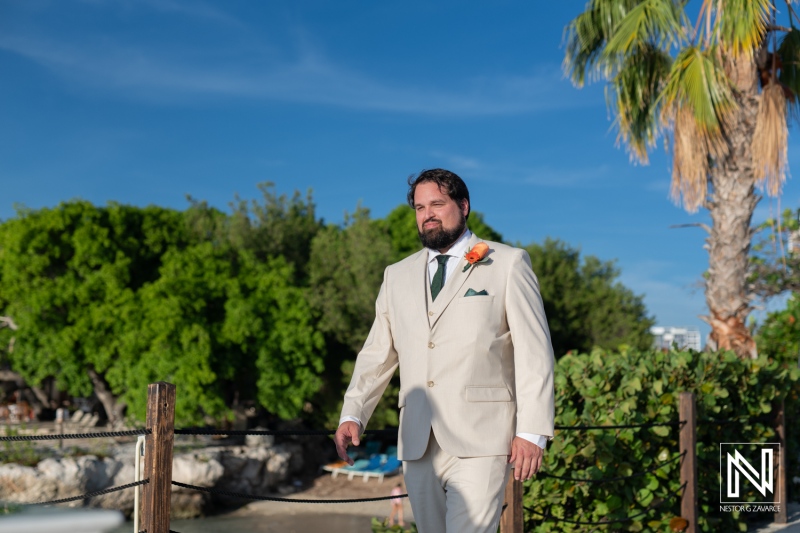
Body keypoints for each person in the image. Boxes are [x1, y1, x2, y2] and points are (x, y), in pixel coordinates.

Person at [334, 168, 555, 533]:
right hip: (417, 442)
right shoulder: (396, 275)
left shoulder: (508, 263)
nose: (428, 214)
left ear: (464, 206)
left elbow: (535, 352)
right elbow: (377, 354)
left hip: (483, 440)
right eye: (420, 208)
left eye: (437, 203)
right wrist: (353, 413)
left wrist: (532, 431)